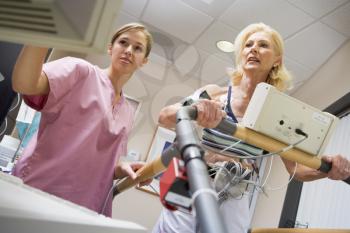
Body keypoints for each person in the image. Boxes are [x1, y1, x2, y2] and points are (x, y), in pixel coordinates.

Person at [152, 22, 350, 233]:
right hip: (193, 179)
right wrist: (197, 109)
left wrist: (326, 168)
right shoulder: (214, 94)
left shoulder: (277, 114)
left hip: (236, 191)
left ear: (277, 60)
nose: (253, 49)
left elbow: (296, 169)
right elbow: (164, 117)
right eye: (248, 45)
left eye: (263, 45)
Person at [11, 23, 153, 217]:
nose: (129, 50)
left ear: (144, 60)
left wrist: (123, 169)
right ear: (110, 48)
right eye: (123, 42)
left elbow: (100, 165)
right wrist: (41, 30)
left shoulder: (127, 112)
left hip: (83, 208)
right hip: (38, 192)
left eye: (138, 48)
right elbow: (25, 84)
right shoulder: (80, 72)